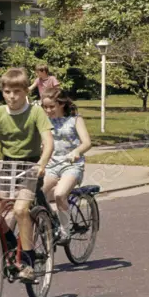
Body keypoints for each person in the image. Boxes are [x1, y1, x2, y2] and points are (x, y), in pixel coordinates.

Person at [0, 67, 54, 282]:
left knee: (21, 209)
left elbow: (49, 142)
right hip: (8, 166)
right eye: (7, 92)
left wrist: (42, 163)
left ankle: (28, 261)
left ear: (26, 91)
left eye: (16, 91)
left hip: (31, 166)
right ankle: (14, 245)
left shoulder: (35, 112)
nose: (11, 96)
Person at [40, 88, 92, 243]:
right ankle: (53, 219)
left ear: (61, 104)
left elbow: (87, 143)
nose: (48, 110)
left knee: (59, 194)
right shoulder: (44, 121)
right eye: (45, 107)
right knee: (36, 193)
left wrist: (77, 151)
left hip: (72, 165)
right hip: (51, 165)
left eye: (51, 107)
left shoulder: (75, 119)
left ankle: (65, 231)